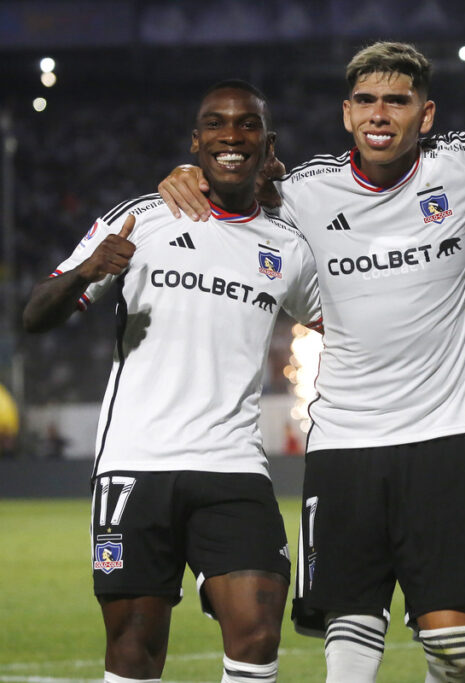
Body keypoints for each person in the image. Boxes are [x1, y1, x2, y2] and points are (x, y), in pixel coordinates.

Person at [156, 42, 465, 683]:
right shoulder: (304, 191)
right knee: (350, 642)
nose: (379, 114)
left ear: (426, 113)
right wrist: (180, 174)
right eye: (366, 101)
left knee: (454, 646)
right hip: (344, 446)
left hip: (446, 440)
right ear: (346, 114)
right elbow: (227, 180)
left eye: (397, 100)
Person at [22, 81, 322, 683]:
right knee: (135, 646)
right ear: (195, 140)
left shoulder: (289, 246)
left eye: (246, 125)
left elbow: (346, 327)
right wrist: (86, 269)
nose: (230, 136)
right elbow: (34, 316)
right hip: (138, 462)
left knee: (260, 631)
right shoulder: (141, 219)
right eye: (216, 124)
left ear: (268, 144)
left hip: (234, 464)